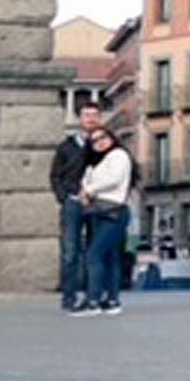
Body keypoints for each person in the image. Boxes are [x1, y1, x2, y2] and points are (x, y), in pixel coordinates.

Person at [77, 126, 136, 314]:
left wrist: (90, 190)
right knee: (109, 257)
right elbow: (86, 182)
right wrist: (87, 190)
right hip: (100, 210)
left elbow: (114, 179)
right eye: (94, 141)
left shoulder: (119, 155)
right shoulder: (95, 162)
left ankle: (93, 300)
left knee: (93, 254)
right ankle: (111, 300)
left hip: (113, 210)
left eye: (103, 137)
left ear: (111, 137)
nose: (100, 142)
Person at [49, 102, 98, 313]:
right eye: (87, 115)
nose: (91, 119)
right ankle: (68, 297)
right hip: (73, 203)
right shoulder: (66, 147)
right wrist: (64, 198)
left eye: (95, 115)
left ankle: (92, 296)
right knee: (70, 252)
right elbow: (55, 175)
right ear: (80, 118)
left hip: (97, 204)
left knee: (94, 252)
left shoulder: (104, 146)